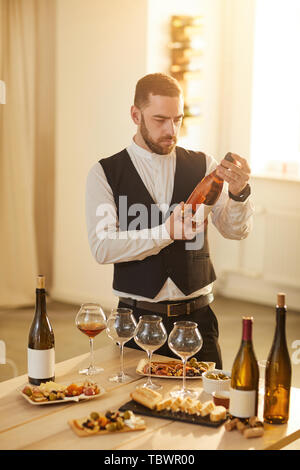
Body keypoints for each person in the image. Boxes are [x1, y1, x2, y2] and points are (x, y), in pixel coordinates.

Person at [85, 73, 253, 369]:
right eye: (160, 119)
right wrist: (165, 232)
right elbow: (102, 247)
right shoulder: (105, 173)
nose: (171, 130)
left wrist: (239, 194)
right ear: (135, 115)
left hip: (199, 323)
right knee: (135, 412)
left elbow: (234, 231)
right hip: (136, 324)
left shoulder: (204, 166)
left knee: (211, 408)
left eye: (177, 119)